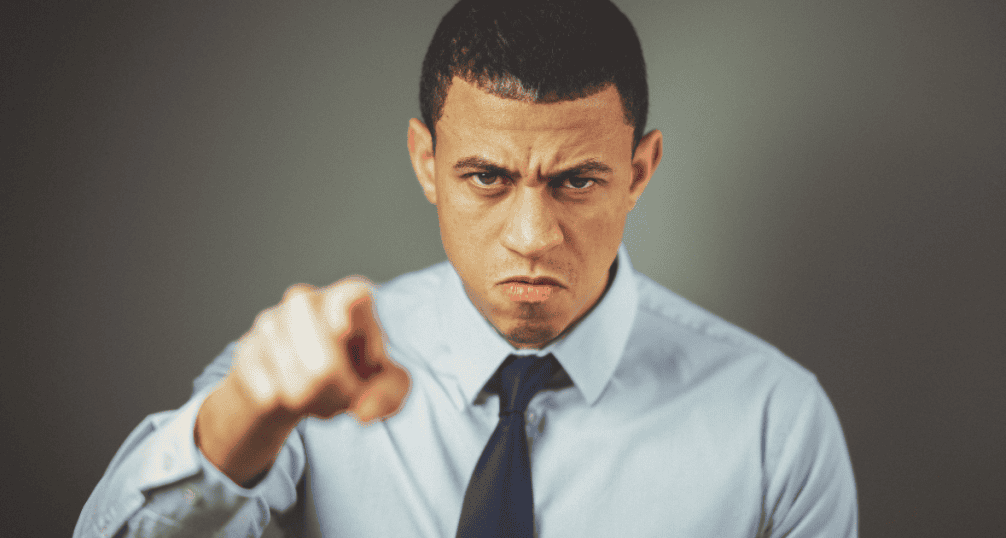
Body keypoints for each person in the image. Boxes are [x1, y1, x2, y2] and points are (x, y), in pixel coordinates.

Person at [75, 0, 858, 536]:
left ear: (640, 170)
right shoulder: (310, 382)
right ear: (427, 161)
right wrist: (247, 414)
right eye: (487, 177)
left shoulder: (775, 425)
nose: (530, 237)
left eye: (576, 181)